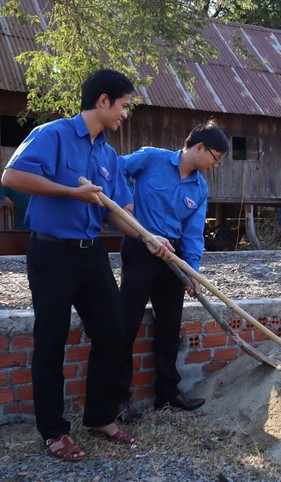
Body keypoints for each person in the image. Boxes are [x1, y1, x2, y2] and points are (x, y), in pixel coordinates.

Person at [0, 69, 169, 461]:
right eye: (124, 106)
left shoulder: (108, 154)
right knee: (51, 339)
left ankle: (99, 416)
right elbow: (11, 175)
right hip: (51, 251)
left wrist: (148, 236)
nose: (126, 114)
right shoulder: (52, 134)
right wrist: (72, 193)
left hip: (92, 254)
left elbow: (120, 212)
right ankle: (53, 431)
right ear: (104, 100)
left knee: (112, 331)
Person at [116, 121, 229, 416]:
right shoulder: (151, 158)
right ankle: (118, 398)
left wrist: (192, 272)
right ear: (199, 147)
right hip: (140, 249)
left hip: (172, 260)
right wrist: (126, 205)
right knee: (126, 326)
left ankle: (167, 393)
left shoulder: (199, 187)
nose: (215, 165)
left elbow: (193, 234)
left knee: (169, 327)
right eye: (215, 158)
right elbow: (115, 168)